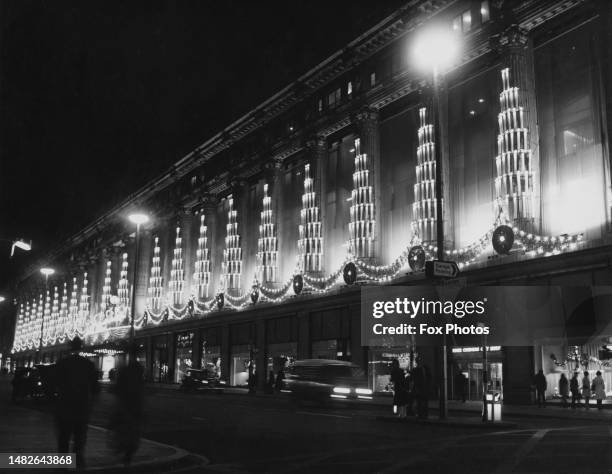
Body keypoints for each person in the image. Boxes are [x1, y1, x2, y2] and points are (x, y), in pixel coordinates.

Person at [55, 337, 100, 469]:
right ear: (81, 347)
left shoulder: (62, 363)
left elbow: (54, 384)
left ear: (70, 347)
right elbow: (95, 388)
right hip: (81, 407)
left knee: (64, 438)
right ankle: (78, 464)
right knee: (79, 440)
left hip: (65, 406)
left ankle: (63, 466)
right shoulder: (88, 364)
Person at [109, 352, 145, 467]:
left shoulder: (127, 374)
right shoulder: (134, 378)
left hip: (128, 409)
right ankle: (126, 456)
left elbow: (117, 391)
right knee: (131, 435)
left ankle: (64, 465)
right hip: (131, 409)